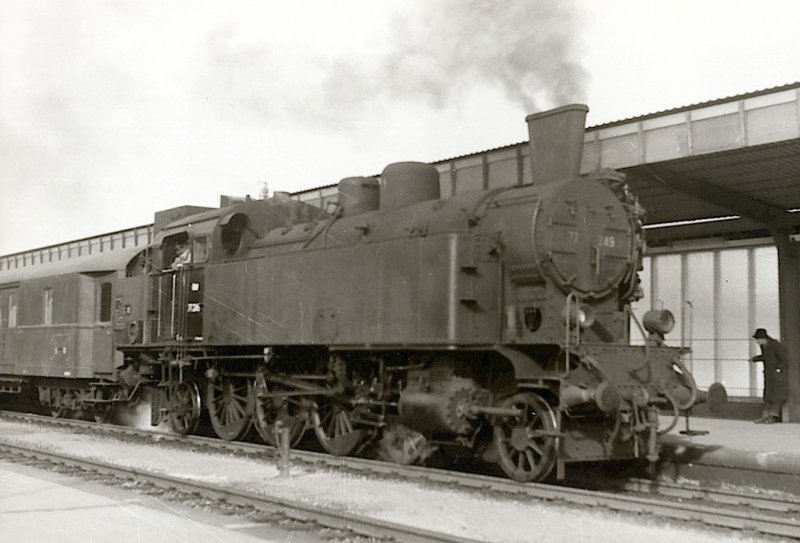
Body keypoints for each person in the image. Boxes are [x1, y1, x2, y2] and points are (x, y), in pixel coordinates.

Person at [750, 328, 788, 424]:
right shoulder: (764, 346)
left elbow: (784, 359)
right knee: (768, 395)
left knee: (777, 395)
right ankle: (765, 416)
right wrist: (755, 359)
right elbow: (766, 357)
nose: (757, 342)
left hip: (776, 374)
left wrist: (778, 369)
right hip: (768, 373)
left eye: (758, 340)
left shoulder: (776, 345)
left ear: (763, 338)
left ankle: (773, 416)